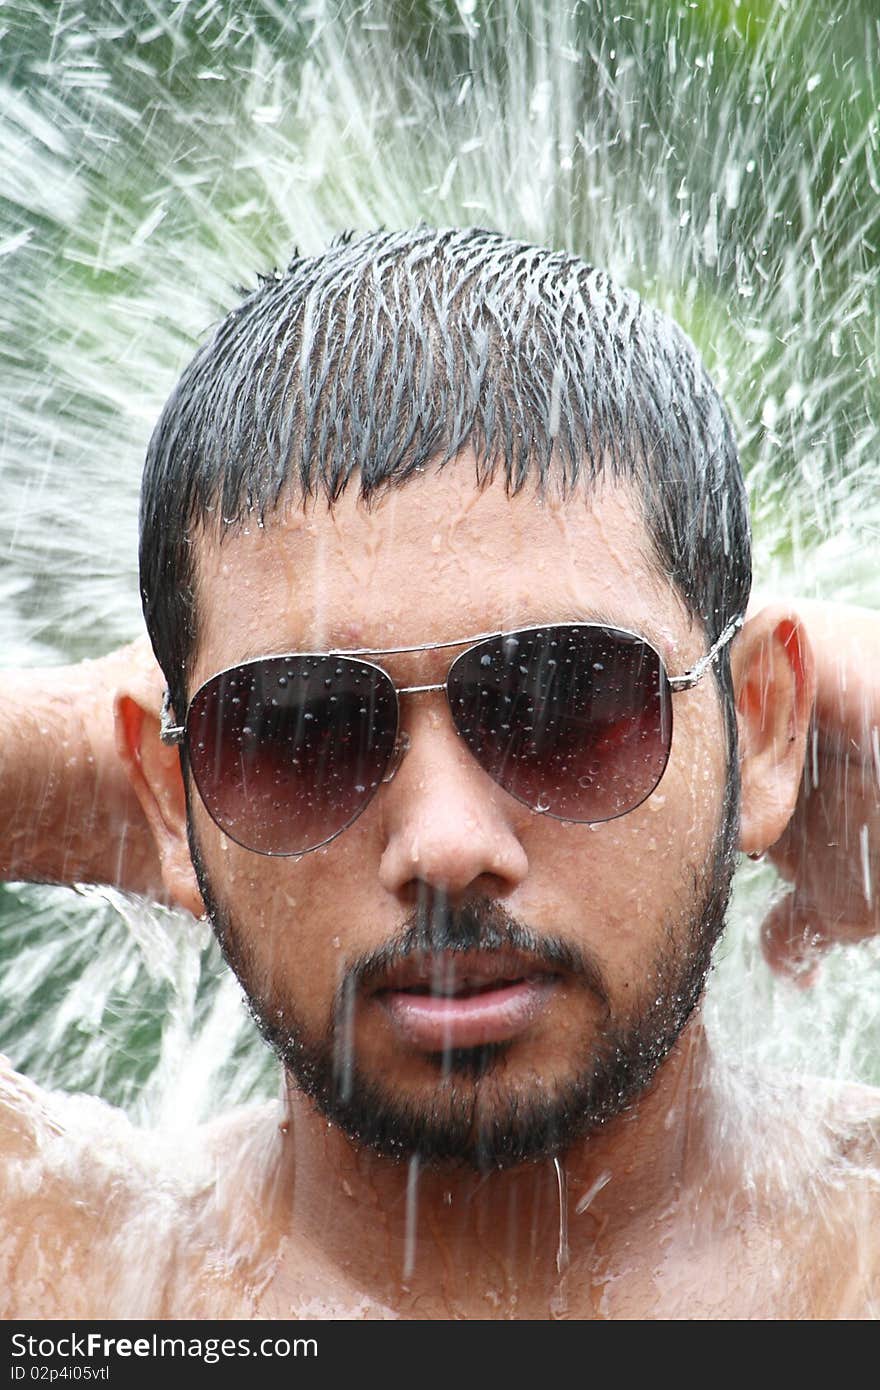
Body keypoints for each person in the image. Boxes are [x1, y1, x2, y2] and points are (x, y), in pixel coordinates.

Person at [1, 227, 878, 1319]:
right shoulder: (76, 1283)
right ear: (161, 792)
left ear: (761, 720)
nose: (447, 845)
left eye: (568, 701)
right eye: (298, 729)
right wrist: (132, 773)